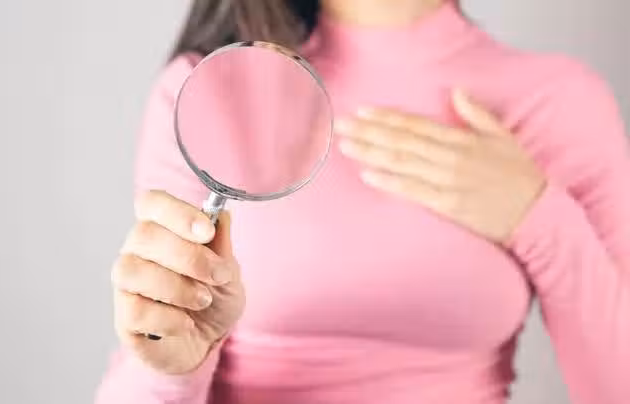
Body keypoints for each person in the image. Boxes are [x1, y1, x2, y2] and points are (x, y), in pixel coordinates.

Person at [95, 0, 630, 403]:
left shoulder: (557, 102)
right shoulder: (209, 90)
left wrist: (537, 216)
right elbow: (145, 370)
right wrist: (170, 368)